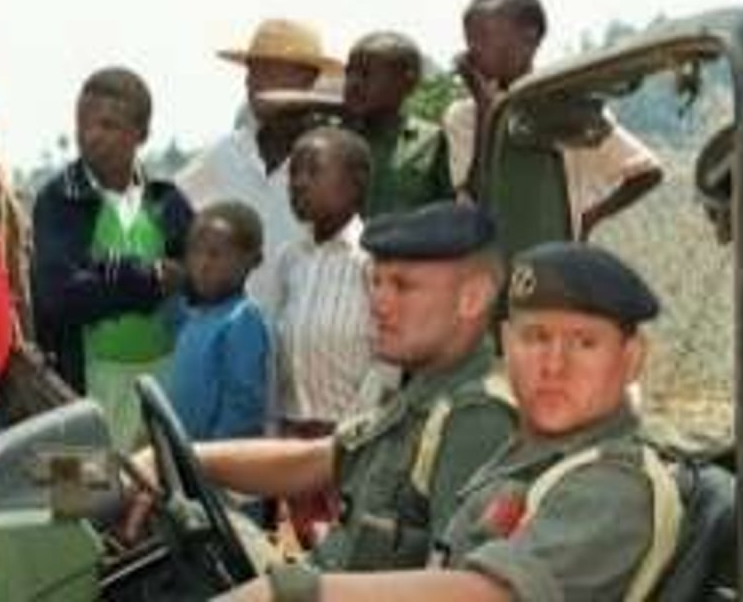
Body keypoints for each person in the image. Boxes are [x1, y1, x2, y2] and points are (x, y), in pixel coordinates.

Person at [239, 243, 682, 602]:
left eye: (585, 343)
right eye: (535, 337)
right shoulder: (529, 456)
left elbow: (488, 593)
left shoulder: (611, 482)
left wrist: (294, 593)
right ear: (506, 344)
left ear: (631, 358)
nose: (553, 364)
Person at [129, 202, 517, 572]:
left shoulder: (475, 419)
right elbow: (312, 461)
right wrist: (179, 458)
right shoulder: (420, 398)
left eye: (402, 286)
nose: (378, 302)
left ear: (472, 298)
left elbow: (459, 587)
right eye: (375, 281)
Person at [31, 66, 193, 447]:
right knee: (78, 501)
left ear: (142, 134)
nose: (91, 136)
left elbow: (196, 280)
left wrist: (103, 275)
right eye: (83, 123)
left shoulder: (166, 201)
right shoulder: (59, 200)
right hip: (74, 396)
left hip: (162, 392)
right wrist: (150, 280)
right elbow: (60, 297)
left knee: (160, 500)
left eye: (108, 125)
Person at [443, 0, 663, 243]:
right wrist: (485, 109)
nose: (473, 50)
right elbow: (475, 198)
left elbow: (647, 171)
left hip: (556, 265)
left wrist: (592, 216)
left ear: (530, 38)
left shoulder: (568, 109)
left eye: (485, 37)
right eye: (469, 39)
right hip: (488, 267)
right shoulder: (463, 116)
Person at [271, 125, 399, 545]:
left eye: (312, 170)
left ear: (356, 182)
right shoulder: (291, 259)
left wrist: (353, 431)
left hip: (353, 441)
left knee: (348, 552)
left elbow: (389, 356)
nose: (299, 182)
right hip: (294, 438)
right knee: (310, 553)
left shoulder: (373, 258)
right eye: (293, 173)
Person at [176, 19, 342, 307]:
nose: (254, 82)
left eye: (271, 71)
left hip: (307, 339)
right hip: (233, 337)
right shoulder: (223, 155)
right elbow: (179, 223)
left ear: (309, 80)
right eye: (253, 71)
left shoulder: (335, 161)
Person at [166, 200, 269, 441]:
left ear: (252, 260)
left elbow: (243, 406)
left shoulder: (243, 319)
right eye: (195, 252)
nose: (202, 264)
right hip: (187, 457)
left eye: (215, 254)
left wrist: (211, 461)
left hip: (214, 467)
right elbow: (178, 323)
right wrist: (169, 294)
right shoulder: (200, 316)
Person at [342, 31, 453, 216]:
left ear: (407, 82)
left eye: (365, 74)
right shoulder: (332, 138)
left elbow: (452, 212)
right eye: (349, 73)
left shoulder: (431, 140)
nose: (353, 83)